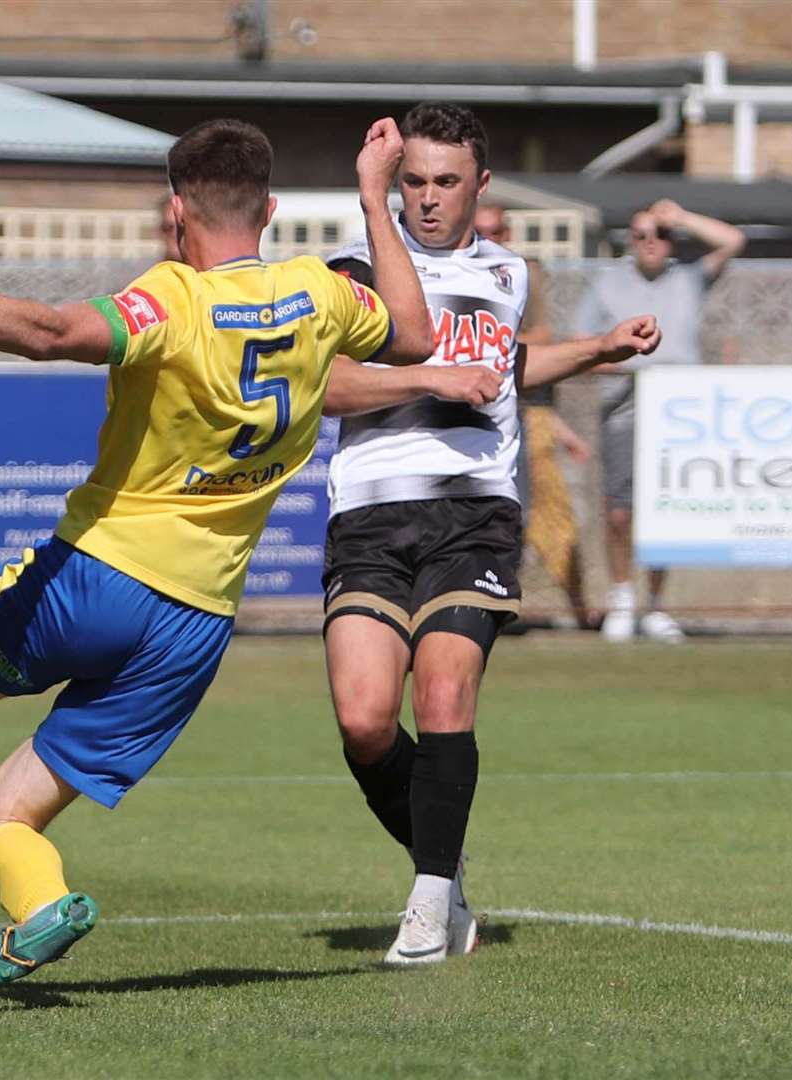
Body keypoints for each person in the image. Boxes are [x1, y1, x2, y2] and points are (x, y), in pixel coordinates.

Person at [0, 117, 460, 985]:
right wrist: (371, 195)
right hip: (195, 625)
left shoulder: (173, 298)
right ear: (272, 208)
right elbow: (415, 331)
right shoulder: (318, 294)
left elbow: (53, 332)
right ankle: (40, 907)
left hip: (95, 579)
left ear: (177, 214)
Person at [317, 102, 661, 966]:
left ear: (480, 185)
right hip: (368, 512)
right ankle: (447, 868)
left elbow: (504, 367)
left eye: (446, 182)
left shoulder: (506, 272)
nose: (428, 199)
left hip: (473, 510)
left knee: (443, 696)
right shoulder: (352, 271)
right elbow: (327, 386)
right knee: (364, 722)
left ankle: (428, 912)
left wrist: (597, 348)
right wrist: (431, 375)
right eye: (414, 183)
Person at [573, 199, 745, 643]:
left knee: (663, 510)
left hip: (678, 412)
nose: (652, 243)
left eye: (661, 235)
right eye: (642, 235)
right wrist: (624, 363)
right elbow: (580, 348)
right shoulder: (608, 284)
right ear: (630, 241)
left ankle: (655, 605)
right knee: (618, 510)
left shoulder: (688, 278)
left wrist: (683, 217)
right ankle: (622, 599)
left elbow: (733, 240)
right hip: (624, 407)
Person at [472, 204, 597, 629]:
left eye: (499, 229)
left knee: (551, 511)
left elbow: (542, 336)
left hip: (529, 410)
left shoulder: (523, 272)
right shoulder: (456, 270)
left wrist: (488, 344)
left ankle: (581, 607)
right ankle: (494, 601)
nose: (493, 236)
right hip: (473, 410)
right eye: (483, 229)